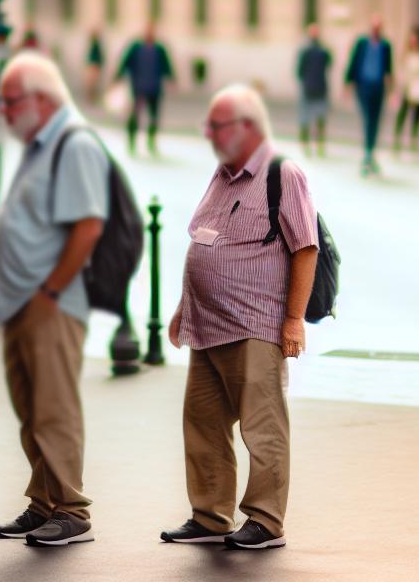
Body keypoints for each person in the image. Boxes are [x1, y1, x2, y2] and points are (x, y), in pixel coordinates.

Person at [161, 85, 317, 552]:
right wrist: (184, 308)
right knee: (203, 422)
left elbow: (305, 248)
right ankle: (210, 515)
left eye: (219, 125)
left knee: (262, 426)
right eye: (209, 125)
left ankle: (266, 521)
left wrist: (293, 321)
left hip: (255, 325)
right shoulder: (222, 174)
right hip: (207, 325)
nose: (209, 133)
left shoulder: (282, 173)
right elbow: (208, 239)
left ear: (247, 127)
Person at [0, 52, 107, 547]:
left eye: (11, 101)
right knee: (31, 407)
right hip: (26, 302)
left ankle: (72, 510)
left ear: (41, 98)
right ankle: (43, 502)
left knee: (54, 407)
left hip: (51, 303)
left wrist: (51, 290)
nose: (5, 111)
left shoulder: (73, 143)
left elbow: (88, 227)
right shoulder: (42, 143)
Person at [115, 23, 175, 156]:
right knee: (134, 116)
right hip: (138, 87)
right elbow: (125, 61)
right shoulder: (136, 47)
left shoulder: (159, 48)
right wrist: (118, 76)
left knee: (154, 117)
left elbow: (167, 65)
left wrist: (171, 78)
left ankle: (151, 142)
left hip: (154, 87)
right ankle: (131, 142)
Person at [343, 16, 393, 176]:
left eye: (378, 27)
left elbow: (389, 69)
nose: (376, 30)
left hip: (378, 87)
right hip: (363, 86)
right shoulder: (361, 43)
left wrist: (391, 88)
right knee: (368, 119)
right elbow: (353, 62)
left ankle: (370, 153)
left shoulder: (386, 46)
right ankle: (368, 154)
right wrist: (347, 82)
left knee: (375, 120)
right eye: (374, 27)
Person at [295, 23, 332, 156]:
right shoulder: (322, 51)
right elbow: (329, 63)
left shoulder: (307, 51)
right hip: (316, 88)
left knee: (311, 119)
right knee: (316, 119)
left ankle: (311, 145)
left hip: (312, 88)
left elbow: (299, 71)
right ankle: (314, 145)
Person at [84, 29, 106, 106]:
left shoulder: (95, 45)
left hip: (94, 65)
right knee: (91, 83)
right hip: (93, 65)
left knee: (92, 83)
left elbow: (97, 57)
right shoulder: (95, 45)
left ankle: (90, 98)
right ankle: (90, 98)